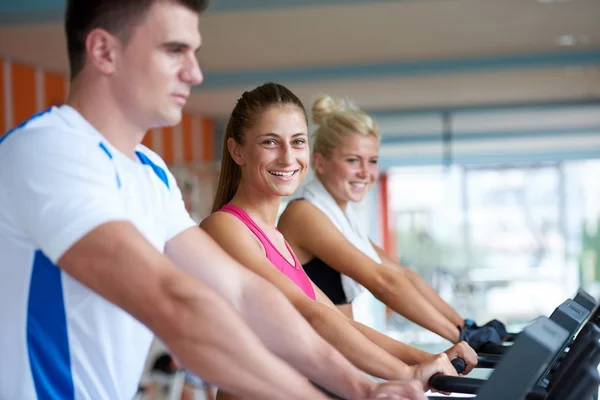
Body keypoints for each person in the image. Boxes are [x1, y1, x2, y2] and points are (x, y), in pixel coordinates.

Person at [0, 2, 422, 399]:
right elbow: (174, 302)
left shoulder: (150, 171)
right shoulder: (48, 151)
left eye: (194, 52)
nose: (195, 73)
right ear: (104, 51)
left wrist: (364, 390)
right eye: (174, 51)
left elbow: (244, 293)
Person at [200, 83, 478, 399]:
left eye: (297, 142)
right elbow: (308, 315)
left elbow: (336, 320)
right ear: (238, 151)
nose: (288, 157)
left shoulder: (276, 237)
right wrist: (406, 373)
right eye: (270, 142)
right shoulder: (225, 228)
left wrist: (426, 359)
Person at [277, 94, 507, 352]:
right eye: (353, 160)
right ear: (319, 162)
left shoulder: (342, 220)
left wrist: (465, 325)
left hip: (334, 358)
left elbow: (403, 275)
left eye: (372, 161)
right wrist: (459, 337)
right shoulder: (304, 214)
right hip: (301, 363)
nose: (366, 173)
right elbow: (382, 282)